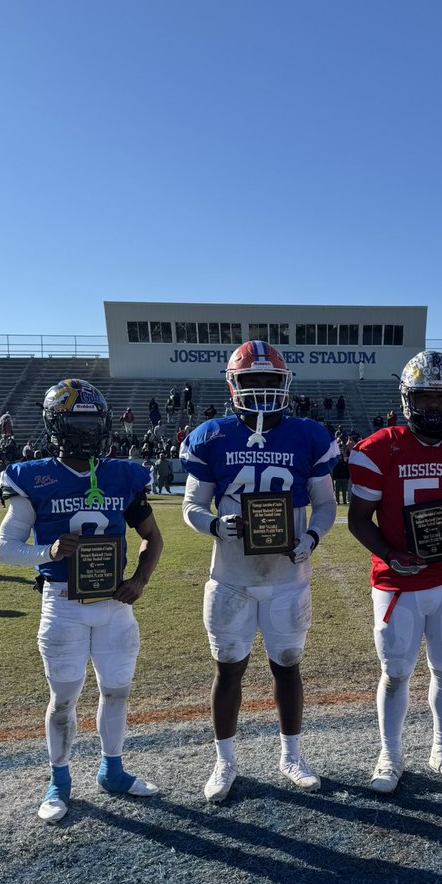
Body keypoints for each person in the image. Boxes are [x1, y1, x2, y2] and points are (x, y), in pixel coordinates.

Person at [0, 378, 163, 823]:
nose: (88, 432)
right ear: (56, 424)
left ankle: (113, 770)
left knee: (116, 691)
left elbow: (151, 538)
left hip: (114, 606)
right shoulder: (32, 476)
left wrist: (140, 580)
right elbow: (5, 549)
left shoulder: (123, 475)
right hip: (64, 603)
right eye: (77, 422)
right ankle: (60, 780)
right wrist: (46, 552)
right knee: (64, 697)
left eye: (94, 422)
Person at [180, 341, 339, 803]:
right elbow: (192, 504)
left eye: (272, 381)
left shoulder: (308, 434)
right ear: (234, 385)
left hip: (288, 577)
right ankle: (225, 761)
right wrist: (214, 524)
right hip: (231, 577)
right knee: (228, 672)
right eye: (254, 380)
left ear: (285, 384)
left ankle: (292, 755)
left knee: (287, 668)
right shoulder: (211, 435)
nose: (264, 390)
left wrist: (310, 539)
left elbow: (326, 504)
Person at [348, 351, 442, 794]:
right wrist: (390, 554)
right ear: (407, 397)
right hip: (398, 578)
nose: (433, 406)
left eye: (441, 397)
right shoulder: (378, 448)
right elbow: (359, 520)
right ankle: (389, 756)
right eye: (424, 397)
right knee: (395, 670)